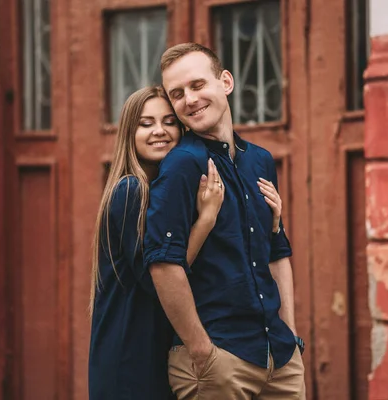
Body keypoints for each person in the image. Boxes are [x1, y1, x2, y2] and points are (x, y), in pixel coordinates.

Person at [143, 43, 306, 399]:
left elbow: (276, 251)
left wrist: (290, 335)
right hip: (219, 360)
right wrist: (201, 350)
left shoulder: (260, 161)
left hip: (278, 357)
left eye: (197, 85)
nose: (189, 99)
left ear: (226, 82)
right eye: (177, 94)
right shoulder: (182, 165)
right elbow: (163, 264)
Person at [88, 86, 227, 399]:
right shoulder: (130, 191)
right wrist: (205, 221)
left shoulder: (164, 192)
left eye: (169, 122)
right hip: (130, 360)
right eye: (146, 124)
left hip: (155, 351)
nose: (160, 131)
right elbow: (157, 280)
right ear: (129, 133)